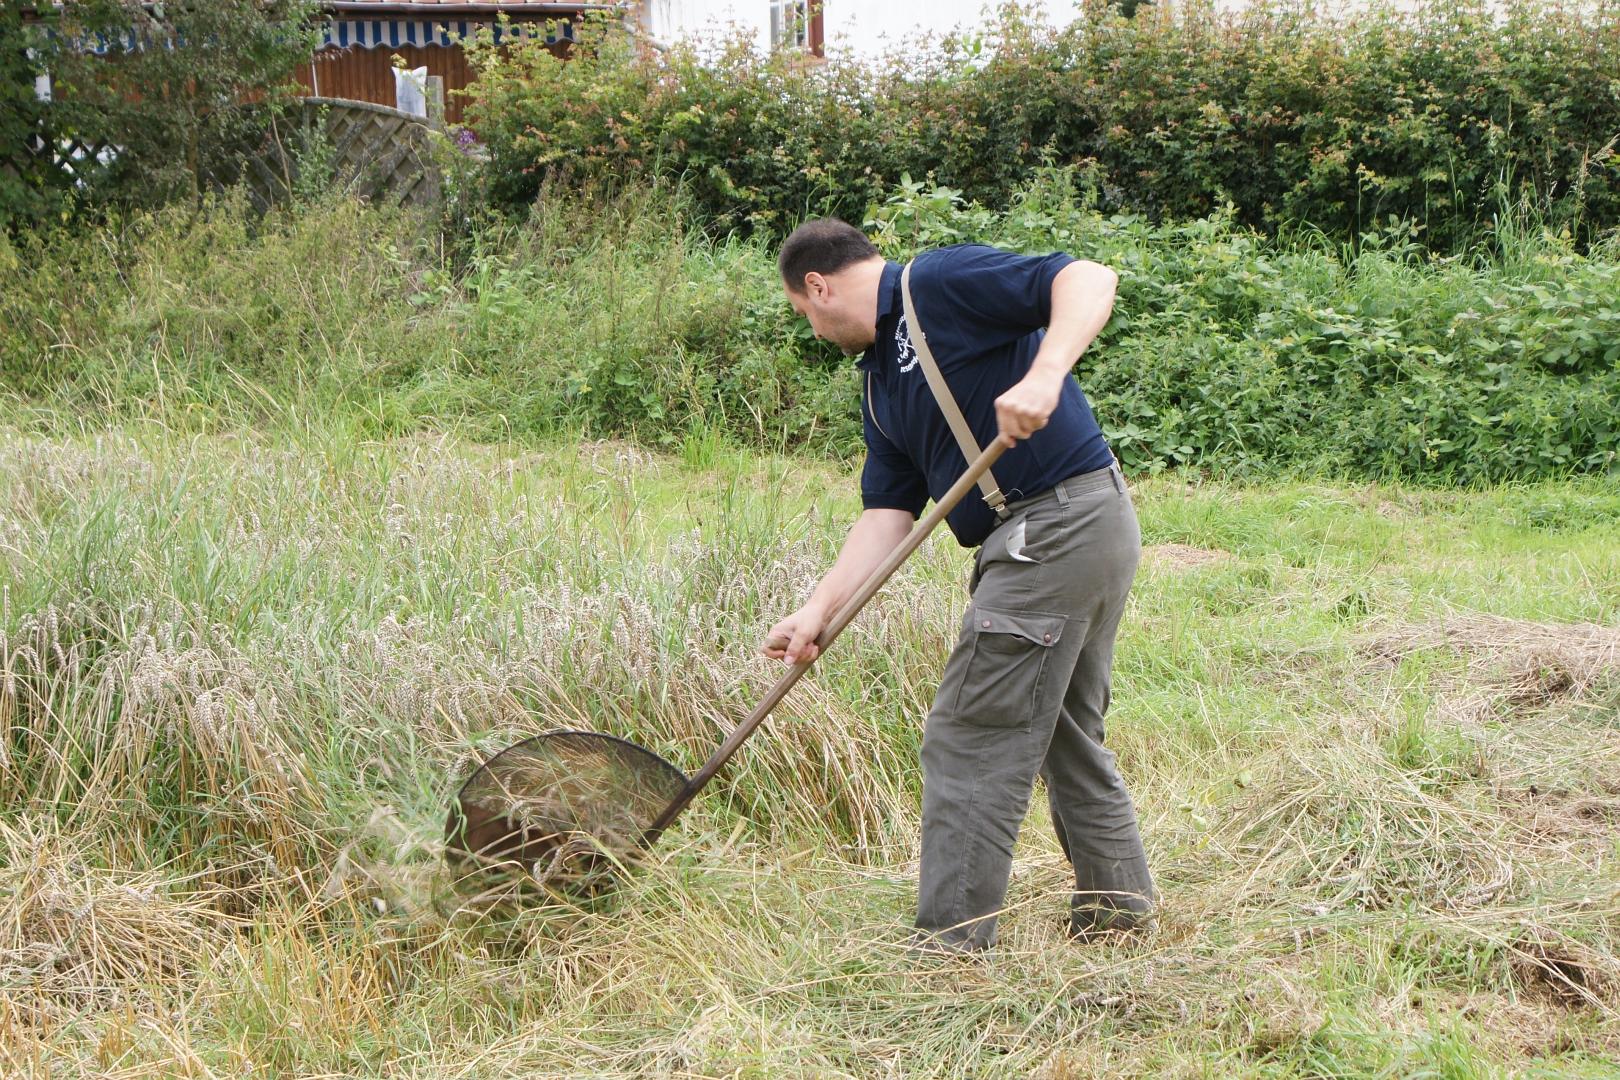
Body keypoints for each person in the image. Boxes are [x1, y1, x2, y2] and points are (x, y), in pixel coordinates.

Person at [764, 219, 1153, 953]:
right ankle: (1119, 916)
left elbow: (1088, 277)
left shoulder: (936, 285)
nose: (812, 330)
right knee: (1062, 733)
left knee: (969, 736)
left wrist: (1046, 373)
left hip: (1059, 525)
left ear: (818, 287)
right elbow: (886, 516)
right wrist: (818, 610)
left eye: (803, 313)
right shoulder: (880, 388)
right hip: (1065, 530)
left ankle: (951, 948)